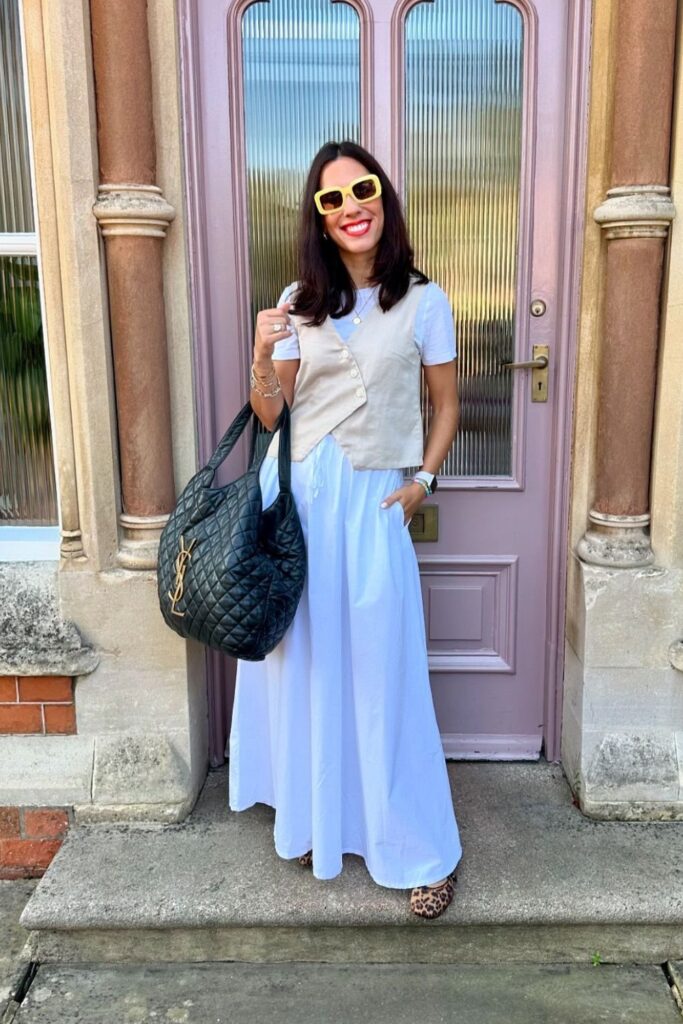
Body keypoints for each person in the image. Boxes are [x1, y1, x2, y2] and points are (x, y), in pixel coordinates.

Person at [228, 139, 463, 920]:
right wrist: (262, 354)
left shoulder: (425, 302)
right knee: (304, 661)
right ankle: (311, 819)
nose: (349, 207)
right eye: (331, 199)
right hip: (298, 500)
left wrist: (422, 481)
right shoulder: (302, 296)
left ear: (382, 199)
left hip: (371, 506)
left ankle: (418, 845)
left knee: (380, 670)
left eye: (360, 190)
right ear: (320, 219)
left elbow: (447, 406)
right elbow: (271, 414)